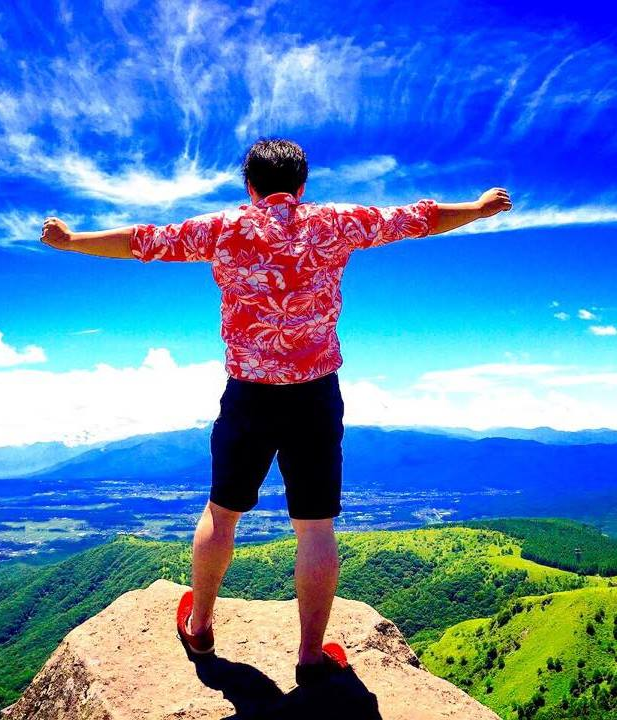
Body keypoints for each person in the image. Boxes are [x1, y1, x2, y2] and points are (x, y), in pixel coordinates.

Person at [41, 137, 512, 686]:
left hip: (248, 393)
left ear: (250, 186)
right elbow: (417, 218)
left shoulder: (225, 228)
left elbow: (141, 241)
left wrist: (71, 241)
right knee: (315, 527)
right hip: (315, 394)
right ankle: (311, 659)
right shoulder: (334, 222)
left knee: (222, 512)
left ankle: (200, 626)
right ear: (302, 185)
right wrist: (478, 209)